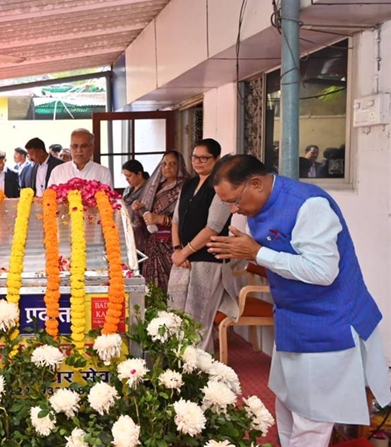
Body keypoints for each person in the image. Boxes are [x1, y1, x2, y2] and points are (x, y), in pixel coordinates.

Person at [207, 154, 391, 447]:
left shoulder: (309, 205)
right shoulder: (259, 206)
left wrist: (256, 253)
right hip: (293, 318)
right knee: (288, 403)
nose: (235, 209)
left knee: (312, 418)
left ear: (255, 183)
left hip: (329, 323)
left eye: (235, 201)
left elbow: (323, 271)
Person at [166, 139, 236, 351]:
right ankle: (177, 365)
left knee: (198, 318)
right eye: (195, 157)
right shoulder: (188, 184)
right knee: (175, 314)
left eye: (204, 158)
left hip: (207, 259)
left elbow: (213, 227)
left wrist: (186, 252)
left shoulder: (220, 186)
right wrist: (178, 250)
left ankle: (198, 370)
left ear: (216, 159)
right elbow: (176, 219)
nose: (198, 161)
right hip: (183, 258)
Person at [131, 151, 189, 291]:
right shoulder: (156, 186)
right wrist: (139, 209)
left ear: (180, 166)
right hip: (153, 243)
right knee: (152, 287)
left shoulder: (186, 187)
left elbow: (187, 218)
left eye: (172, 164)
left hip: (172, 243)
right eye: (164, 164)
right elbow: (148, 213)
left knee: (171, 285)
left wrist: (160, 219)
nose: (167, 167)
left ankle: (172, 313)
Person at [47, 128, 112, 187]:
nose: (79, 150)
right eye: (75, 146)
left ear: (92, 148)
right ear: (70, 147)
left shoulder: (103, 172)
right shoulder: (58, 171)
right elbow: (49, 197)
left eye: (83, 146)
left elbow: (108, 198)